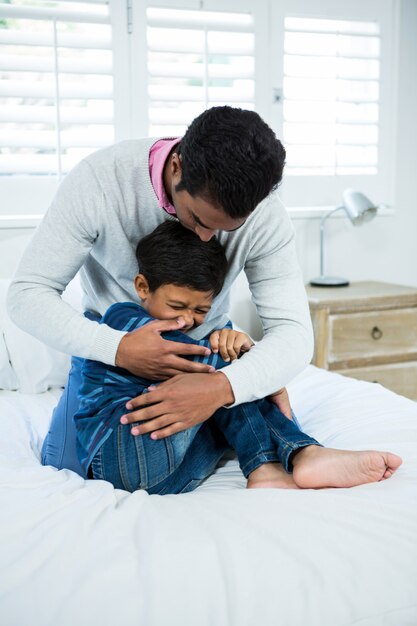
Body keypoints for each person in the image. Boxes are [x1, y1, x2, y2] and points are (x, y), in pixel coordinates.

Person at [7, 106, 402, 488]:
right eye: (197, 219)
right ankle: (269, 446)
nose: (205, 239)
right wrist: (120, 347)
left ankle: (286, 455)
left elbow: (293, 333)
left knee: (240, 369)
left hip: (208, 353)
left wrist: (228, 385)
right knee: (64, 463)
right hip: (111, 353)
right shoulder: (100, 182)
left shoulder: (265, 214)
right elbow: (27, 294)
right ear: (176, 165)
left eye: (225, 228)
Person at [74, 221, 402, 494]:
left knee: (224, 402)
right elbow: (205, 364)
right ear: (143, 287)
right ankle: (290, 456)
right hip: (118, 453)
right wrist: (247, 362)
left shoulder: (203, 330)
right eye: (177, 307)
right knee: (229, 375)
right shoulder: (122, 318)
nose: (187, 319)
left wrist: (239, 341)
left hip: (167, 478)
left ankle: (277, 462)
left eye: (201, 310)